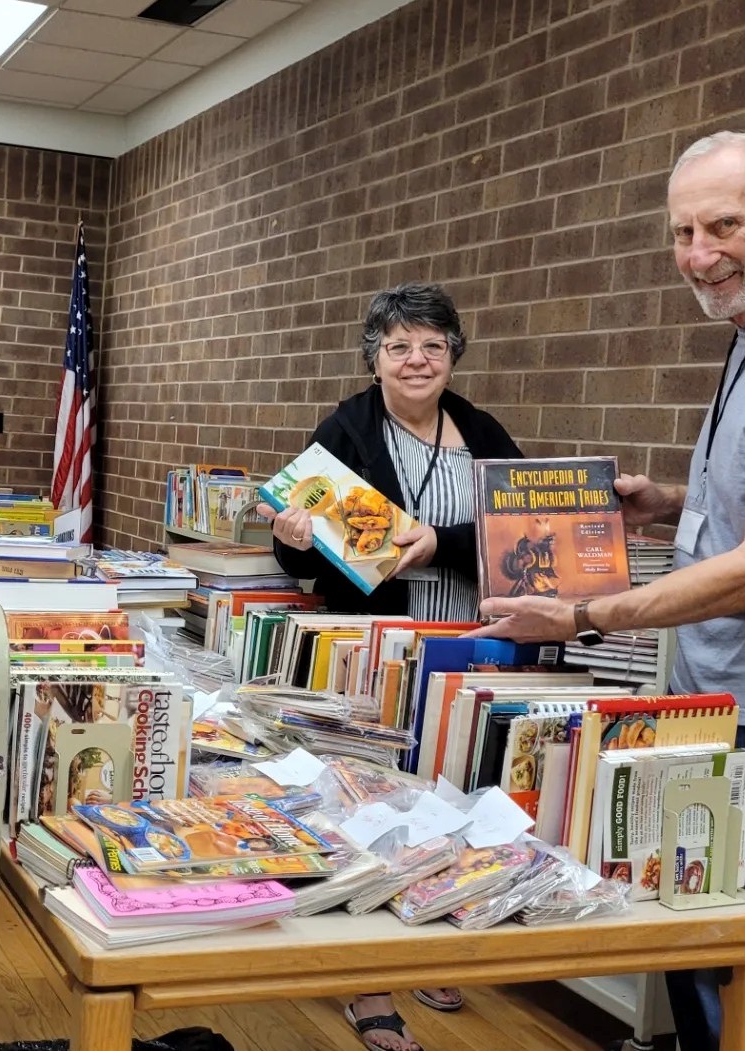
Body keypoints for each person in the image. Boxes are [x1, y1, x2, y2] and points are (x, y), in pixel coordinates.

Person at [472, 131, 745, 1051]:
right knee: (691, 937)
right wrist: (669, 503)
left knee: (740, 949)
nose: (698, 256)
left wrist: (581, 614)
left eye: (722, 226)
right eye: (681, 232)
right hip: (713, 695)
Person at [263, 282, 523, 1051]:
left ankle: (429, 937)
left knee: (459, 798)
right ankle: (368, 985)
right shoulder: (347, 426)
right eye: (399, 346)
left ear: (453, 356)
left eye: (433, 346)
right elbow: (295, 553)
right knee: (374, 806)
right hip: (376, 649)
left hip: (471, 644)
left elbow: (520, 528)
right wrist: (293, 533)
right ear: (373, 357)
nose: (417, 360)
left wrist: (441, 541)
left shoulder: (480, 429)